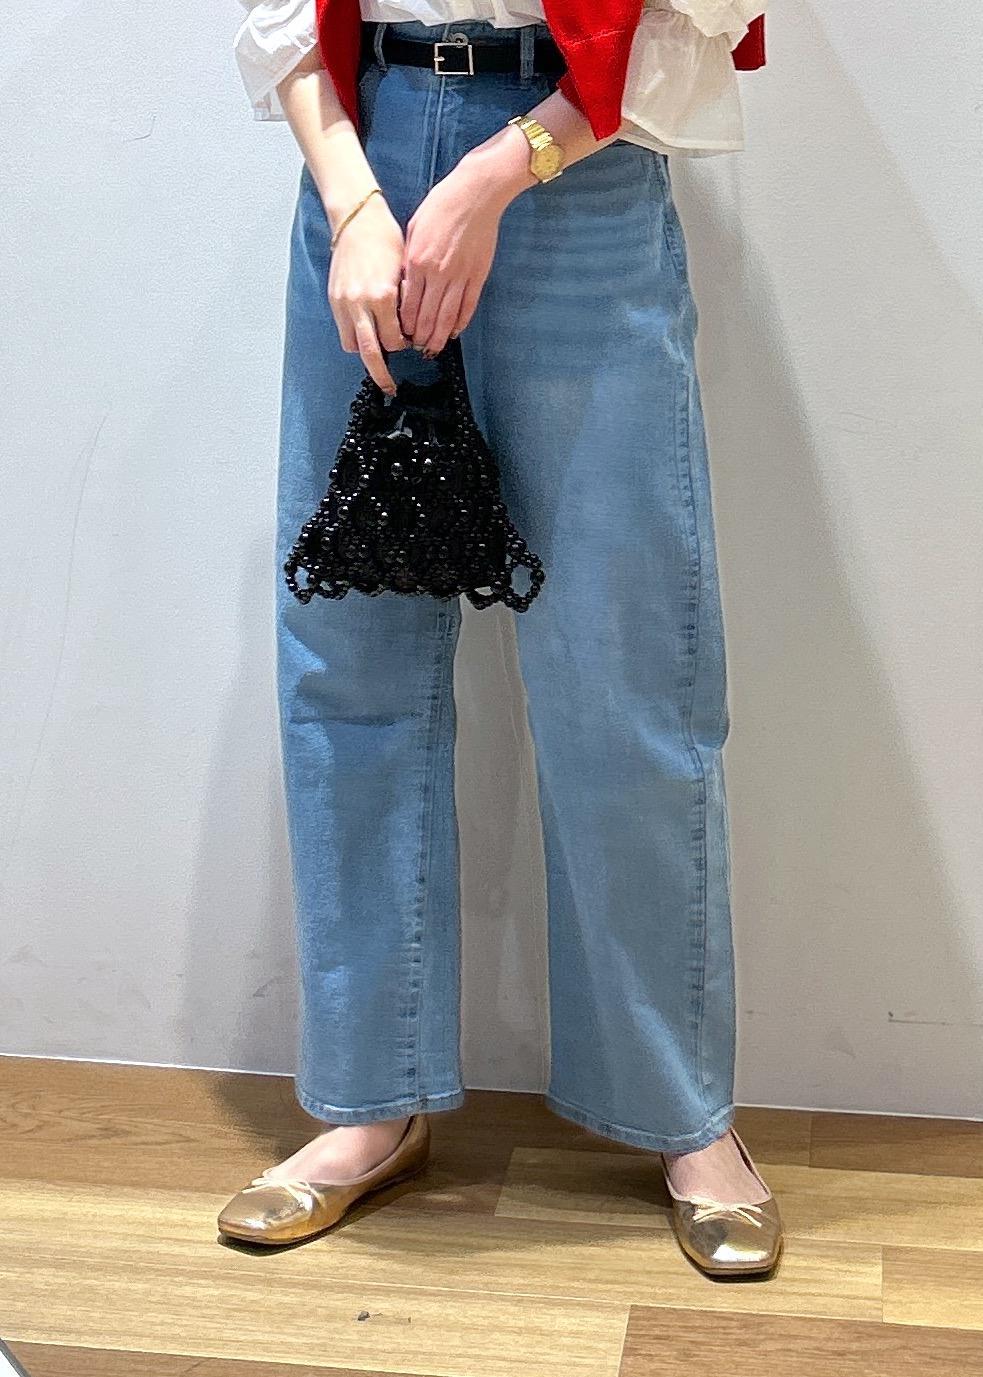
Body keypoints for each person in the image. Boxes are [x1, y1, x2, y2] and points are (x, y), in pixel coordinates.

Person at [218, 0, 783, 1277]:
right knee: (348, 663)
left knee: (622, 669)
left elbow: (694, 17)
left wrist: (494, 173)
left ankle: (681, 1114)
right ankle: (370, 1096)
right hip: (362, 154)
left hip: (576, 161)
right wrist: (355, 203)